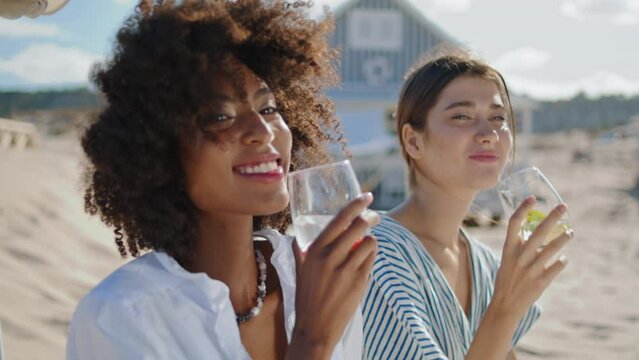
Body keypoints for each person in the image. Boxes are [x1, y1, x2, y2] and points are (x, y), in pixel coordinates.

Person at [66, 1, 378, 359]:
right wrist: (313, 339)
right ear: (159, 150)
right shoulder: (121, 316)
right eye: (219, 116)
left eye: (268, 109)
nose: (262, 131)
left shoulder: (317, 273)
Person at [363, 52, 574, 359]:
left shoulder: (486, 265)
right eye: (462, 116)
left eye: (498, 118)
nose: (489, 134)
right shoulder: (378, 257)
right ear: (413, 142)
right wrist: (506, 306)